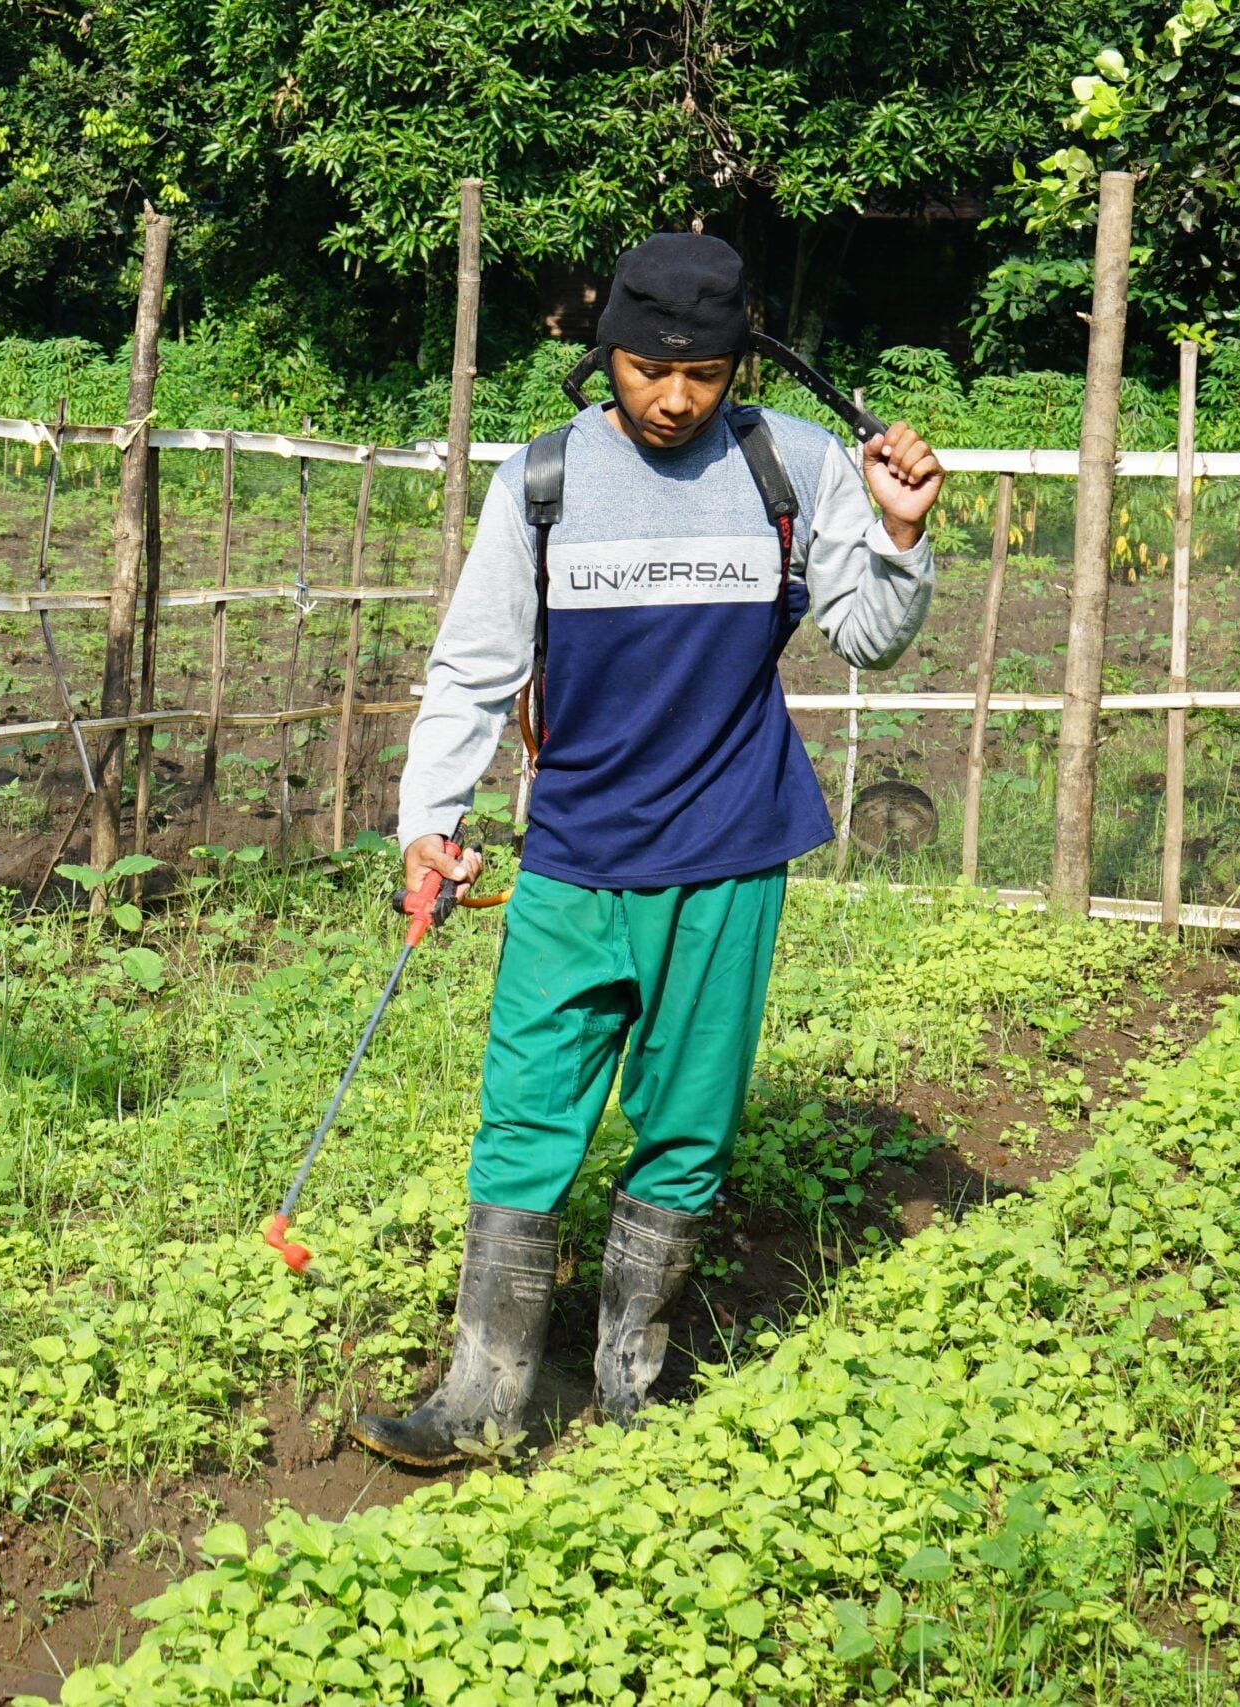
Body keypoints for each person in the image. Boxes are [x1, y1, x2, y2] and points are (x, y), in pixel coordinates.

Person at [350, 231, 944, 1468]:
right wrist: (428, 824)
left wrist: (896, 536)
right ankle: (483, 1394)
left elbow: (869, 639)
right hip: (574, 851)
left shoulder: (795, 465)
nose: (673, 399)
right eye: (643, 369)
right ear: (602, 353)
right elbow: (472, 669)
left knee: (686, 1122)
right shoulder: (543, 482)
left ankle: (632, 1388)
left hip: (730, 851)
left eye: (705, 374)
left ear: (741, 364)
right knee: (524, 1113)